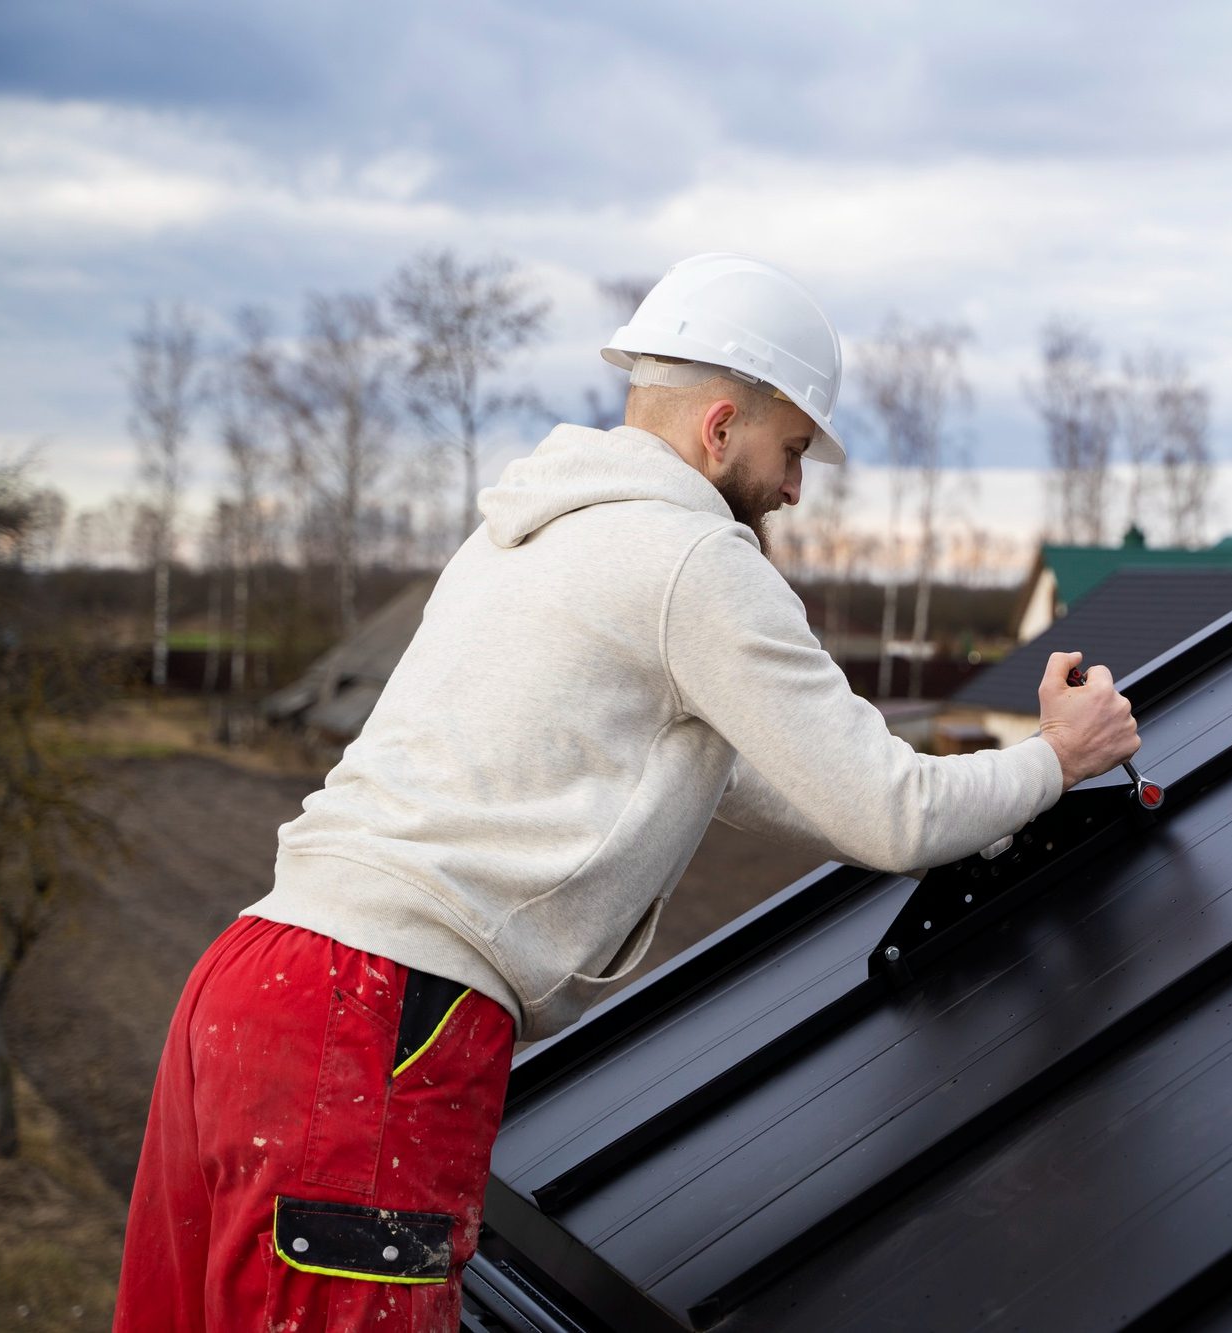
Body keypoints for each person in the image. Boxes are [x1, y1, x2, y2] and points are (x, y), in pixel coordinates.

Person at [113, 254, 1141, 1329]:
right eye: (793, 450)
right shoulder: (695, 559)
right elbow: (885, 812)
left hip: (249, 985)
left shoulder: (530, 533)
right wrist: (1053, 761)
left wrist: (965, 812)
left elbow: (763, 778)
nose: (795, 486)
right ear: (719, 426)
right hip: (377, 1022)